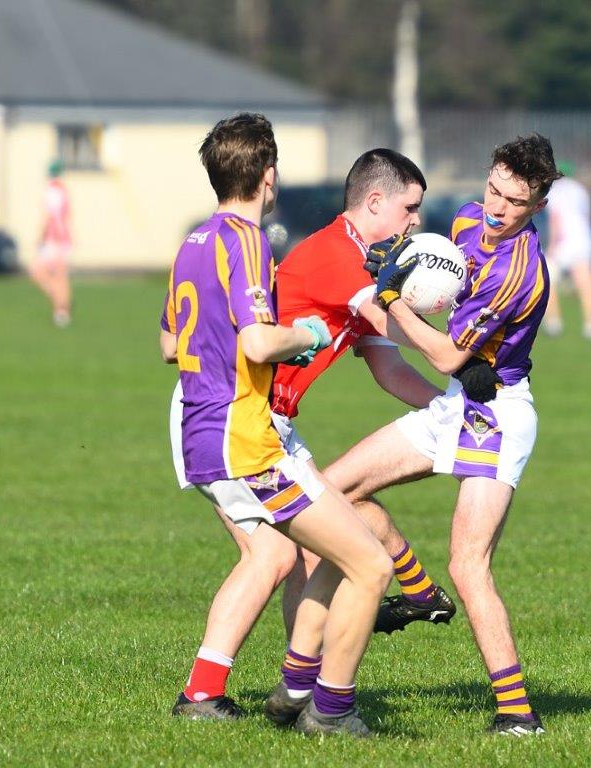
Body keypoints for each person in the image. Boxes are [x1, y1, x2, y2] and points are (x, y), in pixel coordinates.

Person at [273, 134, 560, 736]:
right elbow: (426, 275)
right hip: (458, 402)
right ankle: (412, 589)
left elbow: (447, 354)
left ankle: (517, 716)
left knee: (470, 565)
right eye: (494, 190)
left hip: (494, 409)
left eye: (515, 201)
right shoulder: (463, 221)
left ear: (536, 206)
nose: (498, 208)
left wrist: (391, 295)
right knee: (331, 493)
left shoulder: (519, 270)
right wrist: (401, 272)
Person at [159, 113, 392, 737]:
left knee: (272, 553)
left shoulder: (193, 242)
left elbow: (166, 342)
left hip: (200, 431)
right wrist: (306, 335)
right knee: (368, 564)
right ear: (269, 177)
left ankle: (203, 694)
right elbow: (261, 343)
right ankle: (331, 709)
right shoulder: (248, 241)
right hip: (247, 439)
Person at [540, 162, 591, 340]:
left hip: (563, 242)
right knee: (587, 285)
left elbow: (556, 219)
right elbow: (586, 217)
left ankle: (553, 323)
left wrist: (552, 246)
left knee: (547, 281)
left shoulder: (556, 191)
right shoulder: (580, 190)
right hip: (583, 240)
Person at [30, 160, 73, 327]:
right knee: (60, 276)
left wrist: (40, 237)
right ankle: (62, 308)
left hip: (54, 239)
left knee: (39, 272)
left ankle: (60, 307)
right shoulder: (63, 190)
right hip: (63, 238)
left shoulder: (52, 191)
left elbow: (49, 216)